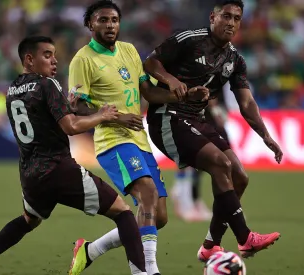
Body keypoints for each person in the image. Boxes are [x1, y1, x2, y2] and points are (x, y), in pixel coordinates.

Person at [0, 36, 150, 275]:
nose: (54, 61)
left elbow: (44, 121)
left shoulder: (12, 91)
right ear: (29, 59)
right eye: (47, 55)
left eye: (54, 55)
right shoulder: (47, 84)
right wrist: (102, 115)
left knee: (29, 219)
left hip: (30, 173)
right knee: (124, 213)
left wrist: (67, 106)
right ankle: (142, 273)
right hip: (58, 168)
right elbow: (71, 127)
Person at [67, 1, 208, 274]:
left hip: (139, 140)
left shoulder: (130, 51)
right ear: (90, 24)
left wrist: (184, 95)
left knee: (159, 216)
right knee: (147, 193)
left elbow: (150, 94)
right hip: (113, 141)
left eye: (114, 20)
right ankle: (147, 270)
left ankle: (91, 249)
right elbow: (76, 106)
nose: (110, 25)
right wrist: (113, 116)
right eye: (103, 20)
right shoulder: (83, 60)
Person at [143, 0, 283, 260]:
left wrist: (266, 136)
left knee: (240, 176)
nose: (231, 23)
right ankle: (245, 237)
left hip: (198, 120)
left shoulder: (235, 59)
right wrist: (171, 80)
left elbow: (246, 102)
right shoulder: (188, 39)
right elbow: (150, 63)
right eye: (226, 16)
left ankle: (210, 246)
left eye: (237, 18)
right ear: (212, 17)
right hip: (167, 117)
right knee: (220, 164)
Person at [172, 99, 229, 222]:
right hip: (186, 117)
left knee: (196, 163)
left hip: (199, 118)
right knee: (188, 161)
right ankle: (185, 201)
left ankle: (187, 198)